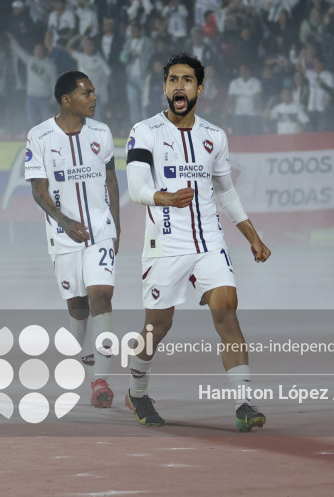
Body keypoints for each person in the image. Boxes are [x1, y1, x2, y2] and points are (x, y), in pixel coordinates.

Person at [124, 53, 271, 431]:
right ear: (164, 87)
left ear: (199, 88)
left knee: (227, 308)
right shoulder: (145, 131)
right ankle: (136, 392)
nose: (179, 86)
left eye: (187, 80)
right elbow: (136, 185)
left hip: (209, 242)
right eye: (172, 79)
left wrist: (252, 237)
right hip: (165, 246)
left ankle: (243, 403)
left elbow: (226, 193)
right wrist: (163, 197)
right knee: (158, 327)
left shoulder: (214, 136)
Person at [23, 71, 121, 409]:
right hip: (63, 236)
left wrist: (116, 229)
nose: (95, 98)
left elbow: (111, 183)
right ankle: (84, 356)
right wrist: (64, 222)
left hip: (100, 232)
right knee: (77, 307)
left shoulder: (102, 133)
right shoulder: (40, 137)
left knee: (101, 299)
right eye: (87, 93)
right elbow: (38, 192)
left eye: (94, 92)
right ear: (67, 100)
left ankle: (101, 382)